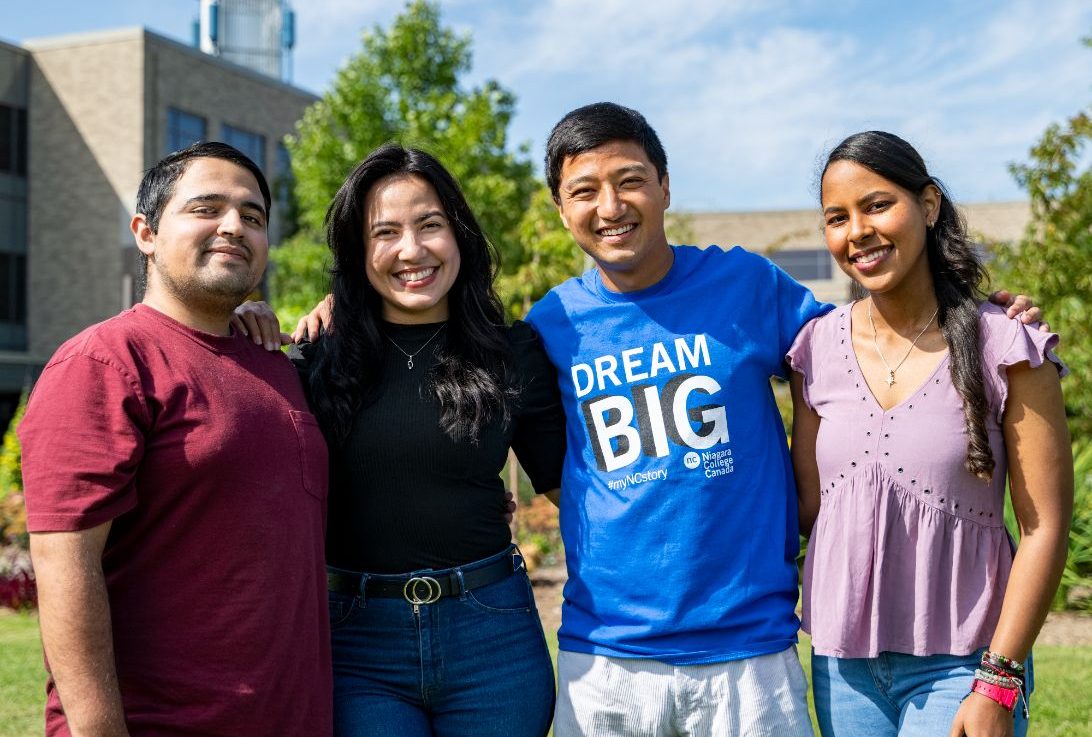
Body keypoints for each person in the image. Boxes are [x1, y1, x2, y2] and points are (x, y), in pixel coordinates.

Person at [284, 105, 1042, 737]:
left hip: (750, 653)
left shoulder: (749, 285)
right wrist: (337, 313)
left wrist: (974, 313)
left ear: (666, 185)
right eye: (585, 190)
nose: (609, 207)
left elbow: (868, 339)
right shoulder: (549, 327)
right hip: (606, 658)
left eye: (629, 181)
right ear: (560, 207)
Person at [19, 142, 332, 736]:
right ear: (146, 232)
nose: (234, 227)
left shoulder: (279, 365)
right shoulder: (103, 364)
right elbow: (65, 568)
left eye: (254, 216)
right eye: (206, 208)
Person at [787, 131, 1072, 737]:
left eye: (877, 204)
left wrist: (998, 681)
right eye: (836, 218)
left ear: (929, 205)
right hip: (843, 668)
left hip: (965, 666)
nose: (856, 231)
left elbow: (1046, 527)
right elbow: (807, 510)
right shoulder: (814, 350)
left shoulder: (1006, 344)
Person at [292, 144, 562, 737]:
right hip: (357, 642)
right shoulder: (314, 359)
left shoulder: (514, 352)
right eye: (385, 232)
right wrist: (247, 318)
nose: (411, 250)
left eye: (430, 225)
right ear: (358, 253)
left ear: (459, 234)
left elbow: (579, 496)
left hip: (492, 636)